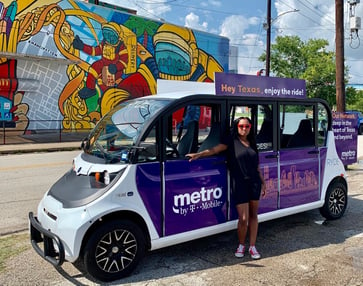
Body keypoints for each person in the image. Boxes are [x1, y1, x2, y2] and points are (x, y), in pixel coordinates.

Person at [186, 117, 266, 259]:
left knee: (254, 216)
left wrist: (263, 182)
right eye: (241, 126)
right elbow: (214, 150)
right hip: (239, 183)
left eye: (247, 126)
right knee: (243, 218)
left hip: (254, 183)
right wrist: (199, 154)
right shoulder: (231, 141)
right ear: (236, 127)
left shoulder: (252, 142)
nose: (244, 128)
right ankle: (241, 245)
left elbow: (257, 166)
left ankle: (252, 246)